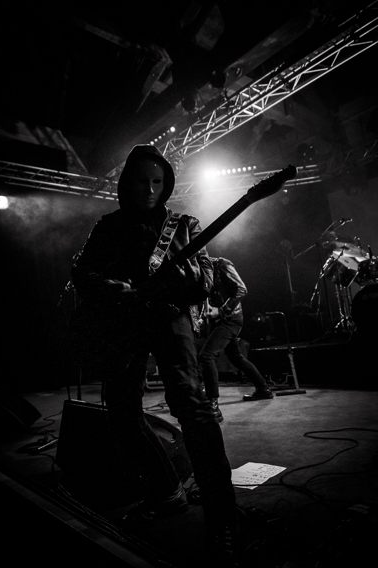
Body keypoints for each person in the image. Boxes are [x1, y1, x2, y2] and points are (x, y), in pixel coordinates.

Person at [68, 144, 240, 567]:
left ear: (167, 185)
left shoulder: (184, 225)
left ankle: (223, 520)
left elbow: (204, 281)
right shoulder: (108, 225)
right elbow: (82, 271)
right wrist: (108, 287)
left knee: (192, 408)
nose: (149, 189)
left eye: (157, 182)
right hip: (125, 323)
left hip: (169, 317)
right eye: (141, 181)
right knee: (121, 413)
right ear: (126, 183)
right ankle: (167, 492)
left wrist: (187, 277)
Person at [198, 257, 273, 422]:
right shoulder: (201, 270)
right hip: (220, 321)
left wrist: (222, 311)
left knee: (206, 355)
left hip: (230, 319)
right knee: (236, 357)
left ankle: (212, 406)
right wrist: (204, 315)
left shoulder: (222, 265)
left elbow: (241, 289)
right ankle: (263, 389)